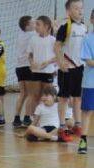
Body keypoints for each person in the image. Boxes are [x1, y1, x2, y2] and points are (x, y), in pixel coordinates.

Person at [55, 0, 87, 140]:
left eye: (81, 8)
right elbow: (56, 46)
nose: (79, 11)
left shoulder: (84, 28)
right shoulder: (65, 26)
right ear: (69, 11)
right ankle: (62, 127)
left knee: (78, 97)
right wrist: (60, 62)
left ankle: (77, 124)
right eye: (76, 8)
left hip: (80, 68)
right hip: (67, 69)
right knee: (63, 98)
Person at [27, 15, 57, 123]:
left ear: (46, 26)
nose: (36, 26)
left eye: (38, 24)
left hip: (48, 71)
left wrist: (47, 62)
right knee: (35, 96)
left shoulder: (53, 40)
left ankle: (47, 119)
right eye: (36, 24)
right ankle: (34, 118)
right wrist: (31, 62)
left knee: (48, 95)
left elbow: (58, 55)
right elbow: (30, 54)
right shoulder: (33, 39)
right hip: (36, 72)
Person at [14, 16, 36, 127]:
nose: (35, 24)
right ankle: (27, 118)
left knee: (23, 94)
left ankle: (16, 118)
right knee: (31, 94)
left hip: (19, 67)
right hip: (27, 67)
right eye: (33, 23)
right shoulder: (32, 35)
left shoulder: (20, 35)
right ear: (27, 26)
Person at [78, 8, 94, 154]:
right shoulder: (87, 39)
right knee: (87, 111)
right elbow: (89, 61)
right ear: (92, 20)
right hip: (90, 82)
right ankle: (83, 140)